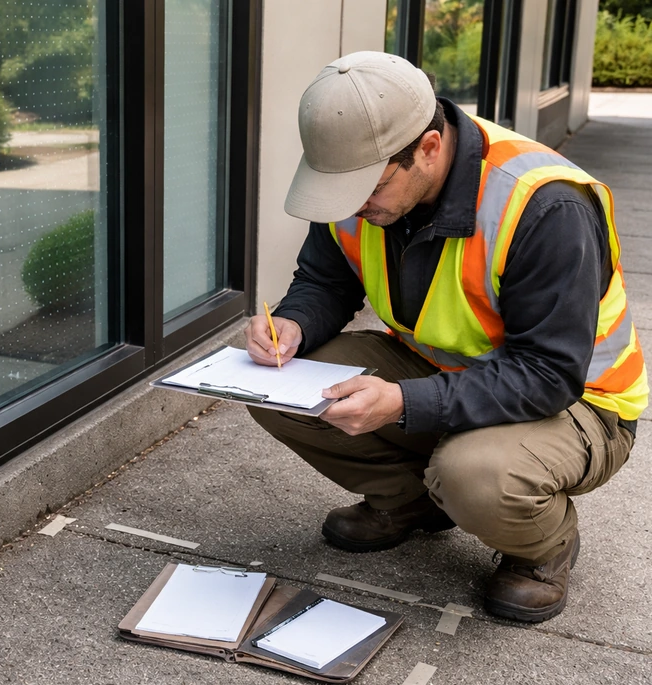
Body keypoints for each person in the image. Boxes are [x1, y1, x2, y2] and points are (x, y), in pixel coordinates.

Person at [245, 50, 647, 623]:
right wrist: (294, 324)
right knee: (274, 385)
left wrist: (405, 403)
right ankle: (411, 504)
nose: (355, 207)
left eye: (372, 189)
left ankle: (542, 545)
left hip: (579, 403)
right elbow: (325, 281)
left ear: (429, 148)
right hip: (447, 370)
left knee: (474, 475)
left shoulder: (543, 205)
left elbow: (548, 373)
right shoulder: (354, 180)